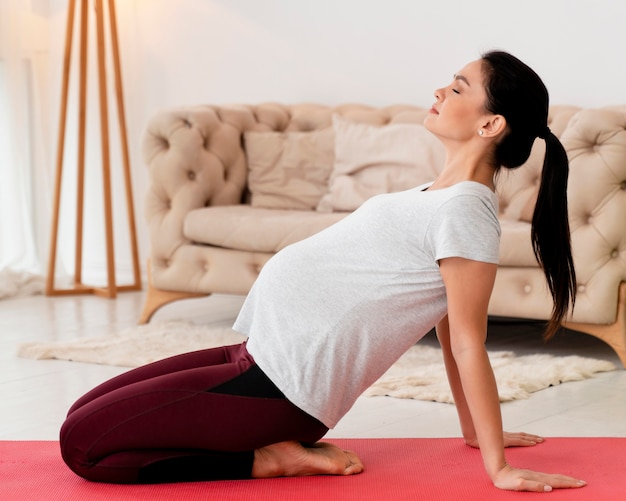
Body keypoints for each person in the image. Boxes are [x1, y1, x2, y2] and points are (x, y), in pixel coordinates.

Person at [60, 51, 586, 493]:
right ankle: (268, 446)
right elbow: (447, 327)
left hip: (284, 389)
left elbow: (468, 342)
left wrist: (496, 466)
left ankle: (270, 459)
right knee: (81, 412)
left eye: (458, 88)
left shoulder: (467, 211)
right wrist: (470, 431)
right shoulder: (438, 196)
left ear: (490, 124)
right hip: (254, 355)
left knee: (83, 448)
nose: (440, 91)